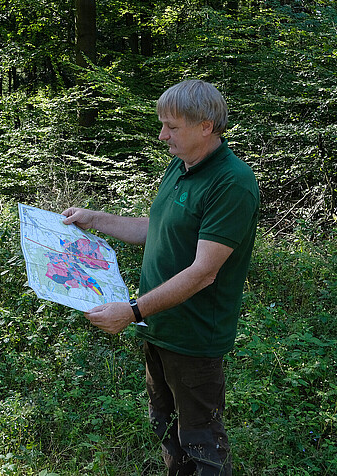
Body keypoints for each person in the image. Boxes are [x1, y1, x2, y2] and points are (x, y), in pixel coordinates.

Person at [62, 79, 259, 476]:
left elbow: (203, 273)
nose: (162, 135)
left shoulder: (231, 183)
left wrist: (132, 311)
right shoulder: (181, 166)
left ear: (205, 126)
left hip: (194, 338)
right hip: (159, 327)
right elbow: (157, 228)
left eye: (171, 126)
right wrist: (95, 218)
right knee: (166, 428)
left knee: (202, 441)